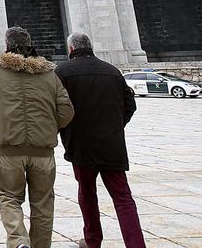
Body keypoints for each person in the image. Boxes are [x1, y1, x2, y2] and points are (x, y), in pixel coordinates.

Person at [0, 27, 73, 248]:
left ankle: (18, 241)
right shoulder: (48, 73)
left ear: (7, 44)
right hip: (43, 151)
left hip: (8, 149)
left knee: (8, 197)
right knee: (43, 203)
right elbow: (66, 111)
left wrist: (0, 124)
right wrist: (48, 128)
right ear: (30, 44)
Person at [55, 32, 145, 248]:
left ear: (71, 49)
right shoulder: (112, 71)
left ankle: (92, 240)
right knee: (123, 197)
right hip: (111, 145)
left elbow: (57, 107)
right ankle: (136, 245)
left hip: (81, 145)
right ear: (90, 46)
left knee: (87, 194)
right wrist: (114, 127)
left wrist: (65, 130)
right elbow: (129, 105)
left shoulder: (63, 71)